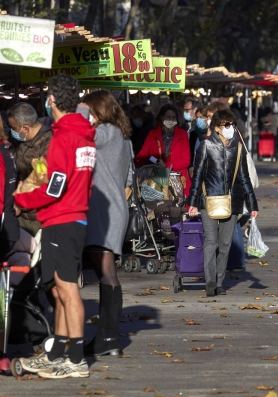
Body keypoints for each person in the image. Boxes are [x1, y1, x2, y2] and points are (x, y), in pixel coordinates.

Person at [14, 74, 96, 378]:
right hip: (73, 217)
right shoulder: (83, 136)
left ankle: (75, 359)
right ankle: (60, 350)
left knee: (67, 288)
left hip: (63, 218)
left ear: (51, 101)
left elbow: (54, 187)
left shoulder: (65, 137)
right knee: (60, 289)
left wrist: (23, 200)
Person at [79, 90, 133, 356]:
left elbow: (83, 132)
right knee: (105, 271)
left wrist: (77, 109)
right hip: (112, 207)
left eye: (89, 109)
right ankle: (107, 336)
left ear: (98, 110)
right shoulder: (121, 135)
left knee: (107, 271)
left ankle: (109, 337)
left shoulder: (107, 132)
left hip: (104, 208)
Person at [188, 109, 258, 296]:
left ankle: (219, 282)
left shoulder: (239, 147)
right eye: (227, 125)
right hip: (208, 200)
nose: (231, 128)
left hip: (232, 201)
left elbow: (244, 178)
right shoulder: (205, 146)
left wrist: (252, 205)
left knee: (225, 244)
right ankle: (210, 282)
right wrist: (193, 202)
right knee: (211, 242)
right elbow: (198, 177)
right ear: (217, 128)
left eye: (232, 124)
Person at [7, 102, 54, 236]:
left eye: (13, 128)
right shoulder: (25, 140)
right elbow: (20, 162)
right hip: (22, 213)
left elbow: (40, 179)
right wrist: (10, 149)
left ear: (26, 128)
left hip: (36, 216)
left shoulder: (48, 144)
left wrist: (19, 205)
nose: (12, 131)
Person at [135, 104, 191, 197]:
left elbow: (186, 160)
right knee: (159, 208)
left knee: (177, 209)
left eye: (173, 117)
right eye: (168, 117)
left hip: (177, 180)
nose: (171, 120)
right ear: (162, 118)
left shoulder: (183, 134)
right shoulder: (152, 134)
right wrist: (133, 164)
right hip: (157, 180)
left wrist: (166, 166)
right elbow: (143, 154)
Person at [0, 141, 19, 372]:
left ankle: (2, 353)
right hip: (7, 229)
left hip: (3, 230)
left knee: (2, 294)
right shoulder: (6, 153)